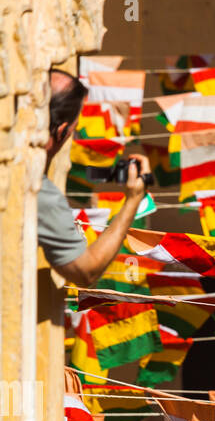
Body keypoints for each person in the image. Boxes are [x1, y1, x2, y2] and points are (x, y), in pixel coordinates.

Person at [37, 68, 152, 287]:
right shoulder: (39, 194)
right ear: (62, 131)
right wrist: (134, 200)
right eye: (74, 129)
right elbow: (85, 271)